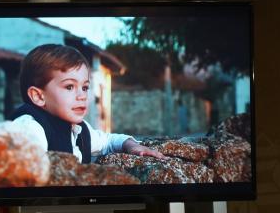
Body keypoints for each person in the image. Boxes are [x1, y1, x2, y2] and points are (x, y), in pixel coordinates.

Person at [11, 44, 166, 163]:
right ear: (38, 96)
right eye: (69, 87)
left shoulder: (79, 129)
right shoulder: (30, 128)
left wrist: (131, 145)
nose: (82, 96)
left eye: (85, 87)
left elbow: (108, 141)